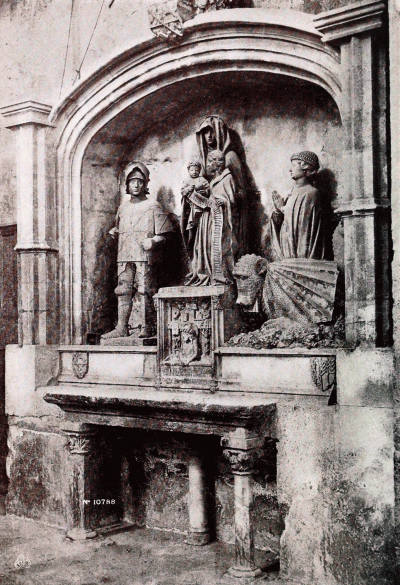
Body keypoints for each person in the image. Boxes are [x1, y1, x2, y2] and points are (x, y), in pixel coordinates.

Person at [101, 161, 175, 340]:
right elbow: (119, 227)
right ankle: (121, 327)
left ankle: (147, 326)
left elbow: (167, 234)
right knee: (122, 290)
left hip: (144, 256)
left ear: (145, 184)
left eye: (140, 181)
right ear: (127, 184)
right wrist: (115, 232)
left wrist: (153, 240)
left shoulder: (153, 206)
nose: (136, 185)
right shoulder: (123, 208)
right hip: (124, 255)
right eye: (132, 181)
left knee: (145, 289)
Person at [194, 115, 249, 256]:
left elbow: (240, 191)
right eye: (205, 132)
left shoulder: (230, 157)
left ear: (221, 133)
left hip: (226, 213)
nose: (209, 136)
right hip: (209, 213)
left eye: (213, 131)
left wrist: (226, 198)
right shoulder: (203, 157)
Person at [185, 149, 238, 286]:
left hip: (220, 218)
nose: (208, 165)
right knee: (206, 245)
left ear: (217, 162)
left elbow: (231, 200)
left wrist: (223, 201)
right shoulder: (213, 180)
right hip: (208, 217)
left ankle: (220, 274)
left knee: (219, 245)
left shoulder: (227, 178)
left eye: (210, 161)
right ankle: (207, 272)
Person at [268, 151, 329, 260]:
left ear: (305, 167)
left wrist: (282, 208)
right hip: (287, 253)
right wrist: (277, 211)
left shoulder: (311, 193)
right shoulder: (290, 193)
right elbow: (284, 223)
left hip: (302, 256)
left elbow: (303, 227)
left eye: (294, 165)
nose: (290, 169)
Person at [180, 160, 210, 256]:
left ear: (199, 171)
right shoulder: (186, 180)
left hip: (200, 208)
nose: (194, 172)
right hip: (189, 208)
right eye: (192, 170)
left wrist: (204, 192)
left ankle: (199, 247)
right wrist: (187, 190)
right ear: (188, 171)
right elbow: (182, 192)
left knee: (199, 228)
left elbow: (208, 190)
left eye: (197, 170)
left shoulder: (203, 180)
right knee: (190, 228)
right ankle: (190, 248)